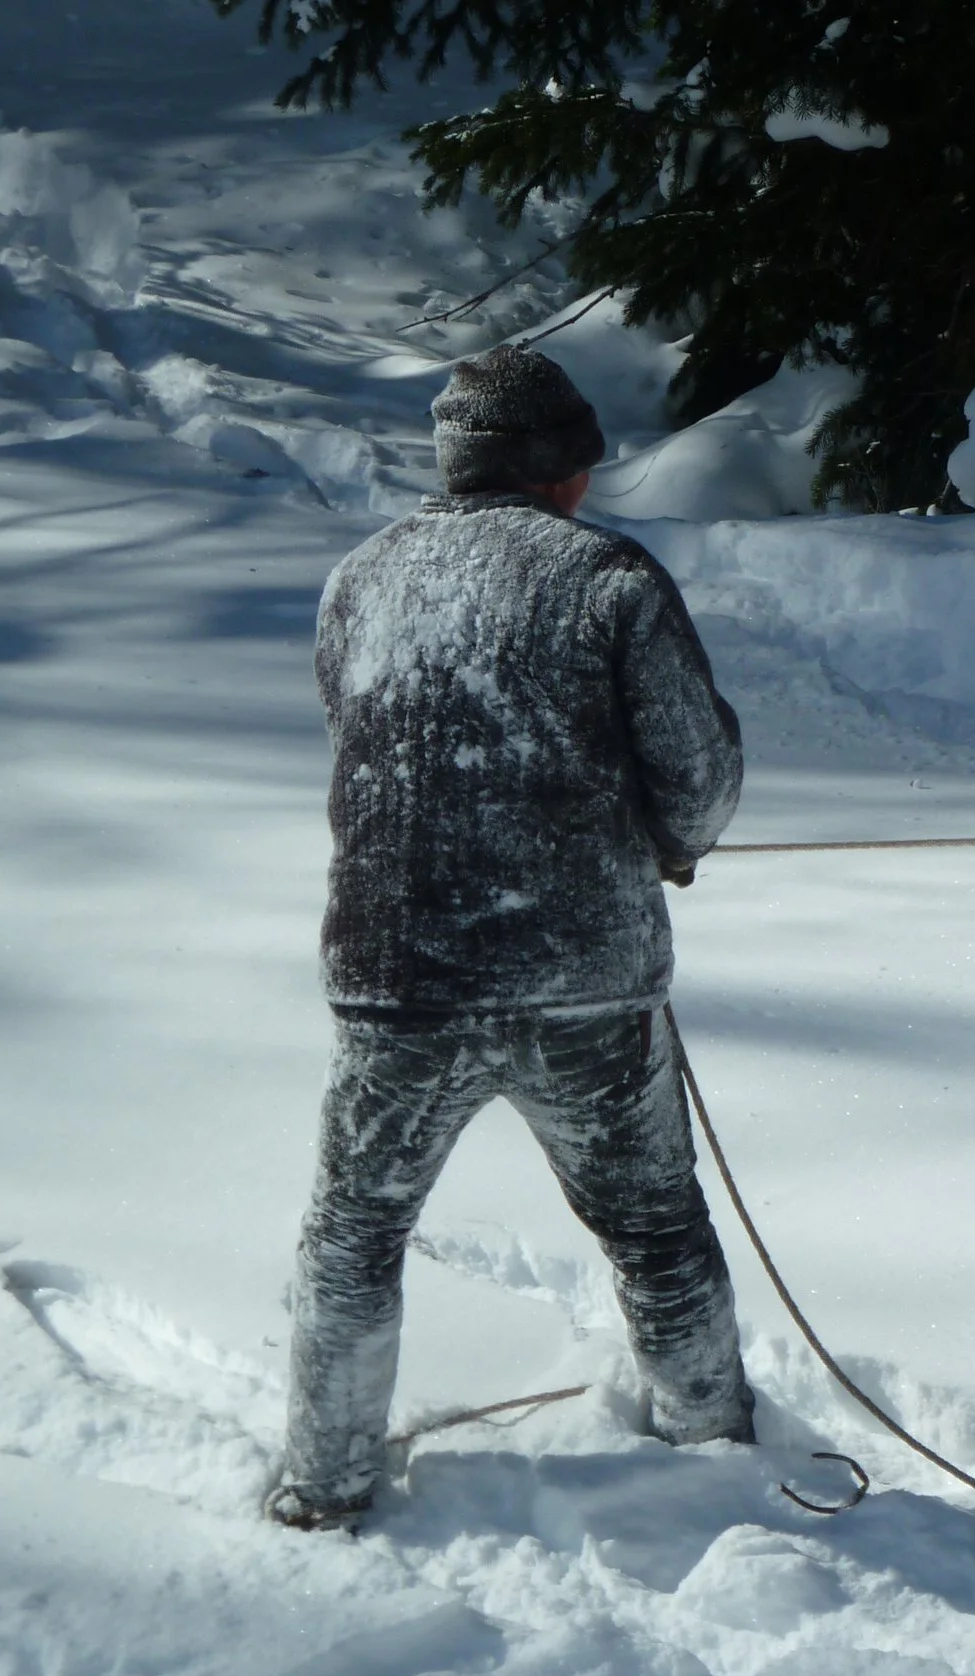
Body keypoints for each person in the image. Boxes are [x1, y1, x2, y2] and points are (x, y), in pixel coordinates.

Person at [267, 345, 755, 1532]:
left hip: (396, 982)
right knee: (652, 1227)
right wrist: (668, 844)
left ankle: (323, 1488)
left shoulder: (358, 581)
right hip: (584, 983)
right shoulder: (610, 581)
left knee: (353, 1235)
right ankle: (713, 1451)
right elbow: (697, 778)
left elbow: (366, 737)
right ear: (567, 473)